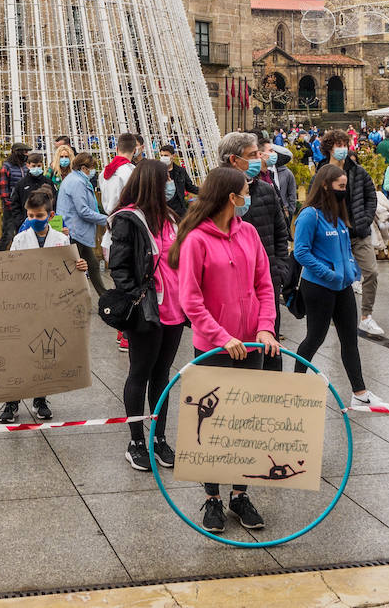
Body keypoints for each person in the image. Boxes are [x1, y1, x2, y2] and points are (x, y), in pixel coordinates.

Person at [170, 167, 278, 535]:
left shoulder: (248, 233)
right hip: (214, 349)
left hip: (251, 346)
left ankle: (240, 493)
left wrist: (265, 327)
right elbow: (191, 300)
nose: (250, 194)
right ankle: (213, 498)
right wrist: (220, 337)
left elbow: (265, 284)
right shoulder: (197, 239)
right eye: (245, 190)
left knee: (246, 425)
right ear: (231, 198)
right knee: (213, 428)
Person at [105, 161, 180, 470]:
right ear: (153, 183)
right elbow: (118, 266)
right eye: (166, 180)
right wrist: (137, 295)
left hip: (174, 307)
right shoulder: (128, 219)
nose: (171, 185)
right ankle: (136, 440)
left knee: (162, 374)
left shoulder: (171, 218)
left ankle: (159, 438)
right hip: (148, 309)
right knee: (140, 373)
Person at [291, 163, 385, 409]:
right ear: (325, 185)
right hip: (318, 287)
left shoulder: (338, 215)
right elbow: (300, 252)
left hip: (342, 287)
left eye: (346, 186)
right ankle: (294, 387)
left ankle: (360, 392)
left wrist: (351, 270)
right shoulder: (310, 215)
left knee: (349, 339)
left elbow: (345, 248)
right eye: (340, 186)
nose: (344, 191)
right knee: (315, 338)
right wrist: (328, 273)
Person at [0, 188, 71, 424]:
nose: (33, 220)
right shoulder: (20, 240)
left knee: (45, 352)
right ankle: (11, 401)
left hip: (49, 305)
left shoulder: (61, 240)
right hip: (24, 304)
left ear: (50, 216)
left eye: (39, 216)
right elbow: (10, 270)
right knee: (18, 352)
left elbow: (67, 271)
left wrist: (79, 266)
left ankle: (40, 398)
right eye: (29, 216)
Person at [220, 132, 289, 331]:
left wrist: (279, 270)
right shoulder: (216, 195)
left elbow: (280, 233)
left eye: (258, 154)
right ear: (234, 159)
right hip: (231, 288)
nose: (259, 159)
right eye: (252, 155)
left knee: (269, 342)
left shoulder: (266, 190)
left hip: (267, 281)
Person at [319, 130, 381, 335]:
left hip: (358, 232)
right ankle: (335, 315)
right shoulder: (322, 172)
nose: (343, 148)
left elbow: (371, 196)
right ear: (329, 148)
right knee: (337, 276)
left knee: (371, 272)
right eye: (338, 144)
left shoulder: (357, 171)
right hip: (333, 234)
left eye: (345, 144)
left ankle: (366, 316)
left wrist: (365, 219)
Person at [56, 152, 109, 293]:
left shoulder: (74, 179)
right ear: (84, 168)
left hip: (76, 231)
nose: (93, 172)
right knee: (71, 269)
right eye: (92, 168)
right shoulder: (77, 182)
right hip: (75, 231)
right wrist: (106, 220)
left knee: (93, 265)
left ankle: (104, 298)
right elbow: (83, 211)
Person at [99, 133, 140, 248]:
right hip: (129, 224)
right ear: (135, 150)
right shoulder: (133, 172)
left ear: (117, 149)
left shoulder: (104, 172)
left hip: (111, 222)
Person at [0, 142, 33, 252]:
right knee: (7, 235)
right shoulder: (7, 167)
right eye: (25, 152)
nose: (27, 154)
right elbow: (3, 189)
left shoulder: (25, 167)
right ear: (18, 153)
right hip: (11, 208)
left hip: (25, 207)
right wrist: (10, 204)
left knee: (23, 234)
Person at [161, 143, 199, 218]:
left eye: (166, 155)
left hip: (179, 211)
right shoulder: (157, 172)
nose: (163, 158)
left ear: (173, 156)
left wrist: (207, 192)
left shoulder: (180, 171)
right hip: (163, 211)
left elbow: (190, 187)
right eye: (161, 155)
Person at [264, 143, 297, 221]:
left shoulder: (287, 173)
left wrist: (290, 210)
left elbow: (292, 193)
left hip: (284, 211)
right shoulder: (266, 172)